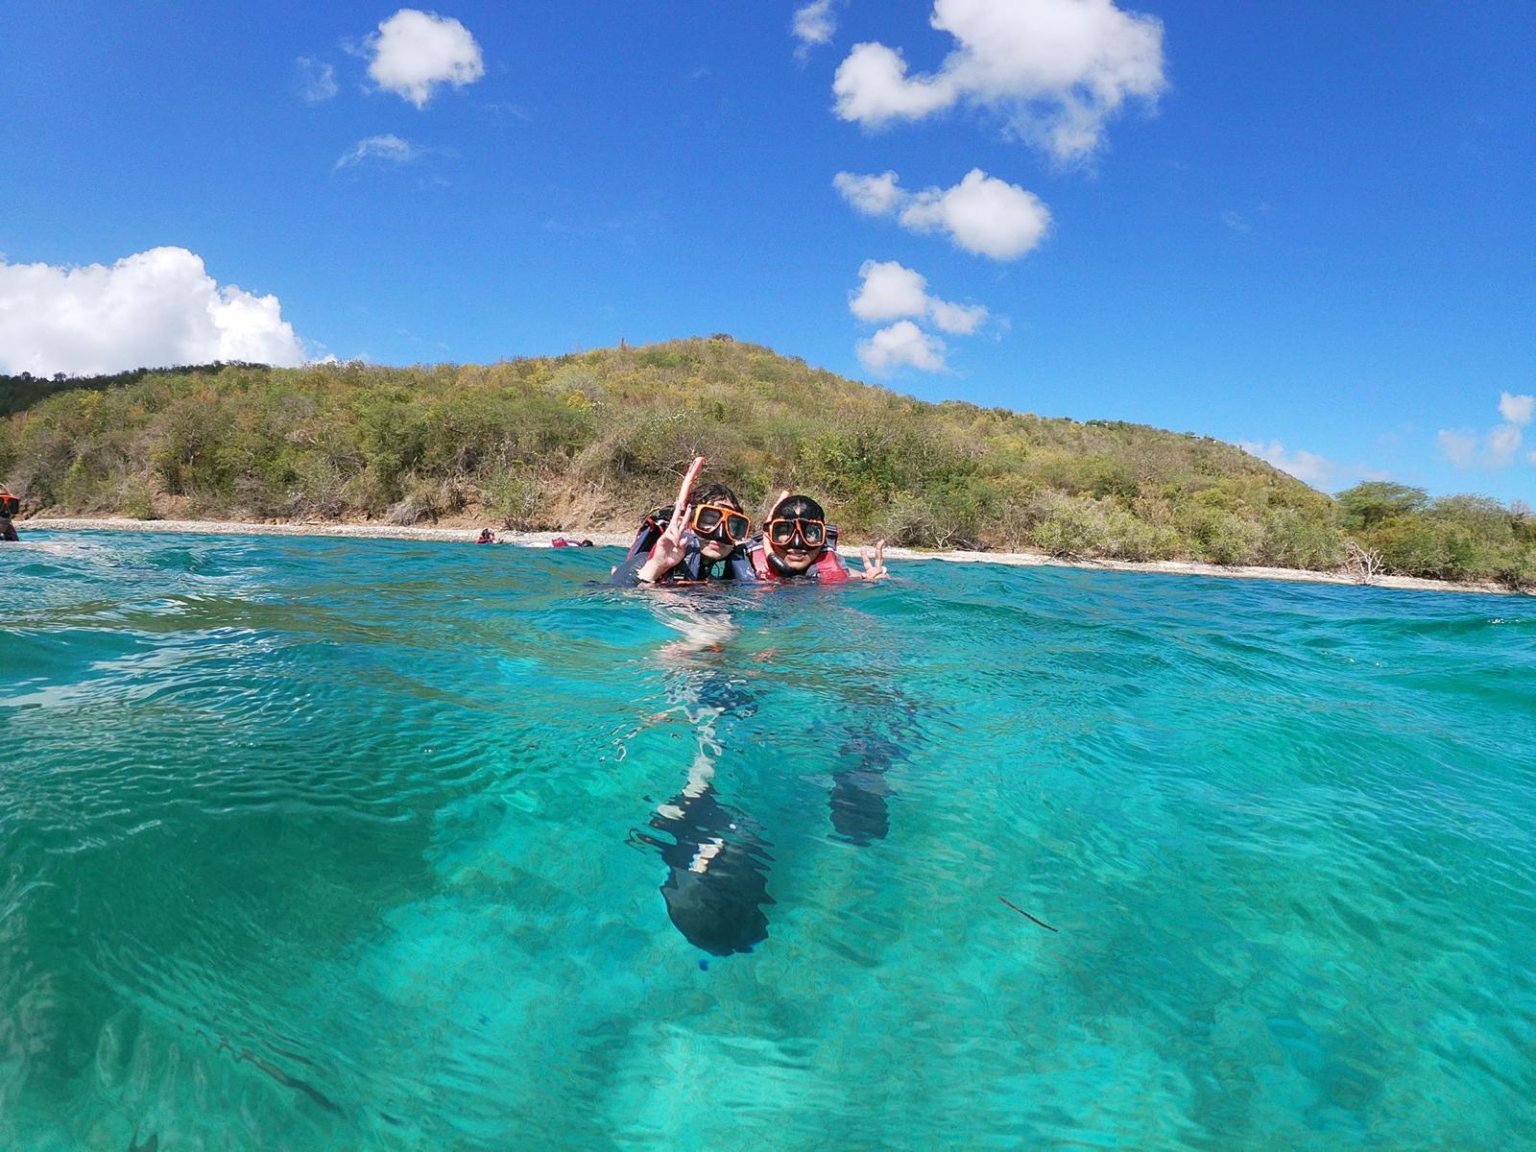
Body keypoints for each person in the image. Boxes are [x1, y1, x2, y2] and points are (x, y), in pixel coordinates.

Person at [610, 456, 756, 586]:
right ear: (687, 522)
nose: (719, 533)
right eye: (708, 519)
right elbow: (614, 600)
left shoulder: (718, 582)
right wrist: (654, 568)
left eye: (733, 526)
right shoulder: (644, 562)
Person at [747, 493, 888, 582]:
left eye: (810, 532)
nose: (797, 543)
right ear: (770, 535)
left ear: (824, 537)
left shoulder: (846, 574)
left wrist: (878, 579)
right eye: (784, 530)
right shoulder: (747, 570)